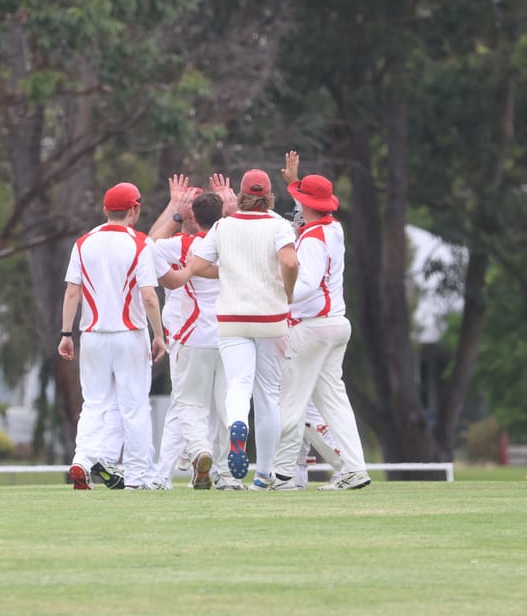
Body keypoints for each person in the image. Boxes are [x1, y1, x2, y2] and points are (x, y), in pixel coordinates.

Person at [186, 169, 298, 490]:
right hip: (271, 318)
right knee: (268, 395)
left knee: (238, 384)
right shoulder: (279, 225)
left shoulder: (222, 226)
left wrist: (229, 272)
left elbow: (197, 265)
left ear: (241, 195)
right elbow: (290, 262)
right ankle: (263, 475)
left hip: (233, 318)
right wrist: (288, 292)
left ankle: (238, 423)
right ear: (269, 196)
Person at [58, 182, 167, 490]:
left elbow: (72, 292)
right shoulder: (139, 243)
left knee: (94, 404)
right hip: (129, 334)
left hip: (92, 334)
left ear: (105, 210)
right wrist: (158, 334)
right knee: (134, 407)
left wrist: (66, 333)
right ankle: (137, 477)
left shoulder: (83, 243)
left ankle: (82, 460)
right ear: (135, 209)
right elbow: (149, 296)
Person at [273, 167, 371, 491]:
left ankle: (282, 475)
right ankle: (354, 469)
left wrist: (279, 294)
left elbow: (307, 285)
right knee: (334, 404)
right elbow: (311, 210)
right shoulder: (334, 228)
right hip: (335, 324)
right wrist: (295, 187)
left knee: (291, 402)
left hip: (312, 327)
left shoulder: (312, 239)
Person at [149, 186, 238, 490]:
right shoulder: (233, 243)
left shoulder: (184, 245)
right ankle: (226, 476)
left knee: (186, 404)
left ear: (194, 217)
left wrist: (175, 212)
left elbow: (148, 245)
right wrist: (233, 212)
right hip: (230, 336)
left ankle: (197, 452)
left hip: (193, 335)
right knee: (225, 408)